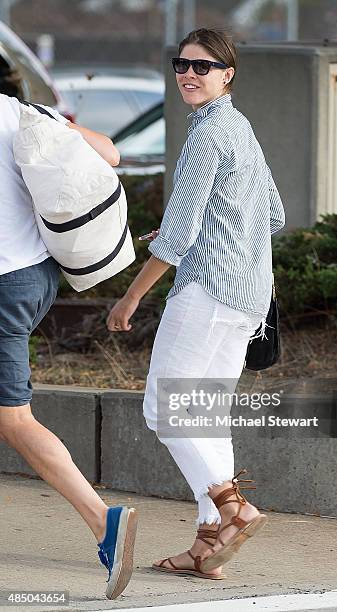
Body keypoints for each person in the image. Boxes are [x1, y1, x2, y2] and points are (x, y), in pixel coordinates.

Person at [107, 28, 285, 579]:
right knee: (204, 416)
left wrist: (130, 298)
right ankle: (209, 543)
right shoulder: (239, 127)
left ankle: (233, 507)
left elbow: (181, 233)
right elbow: (272, 213)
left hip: (208, 291)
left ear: (227, 74)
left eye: (202, 67)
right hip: (249, 297)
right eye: (181, 64)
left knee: (164, 409)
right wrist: (211, 228)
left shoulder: (208, 136)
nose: (188, 74)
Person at [0, 93, 137, 600]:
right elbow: (110, 152)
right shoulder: (17, 109)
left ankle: (105, 521)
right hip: (39, 274)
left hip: (3, 285)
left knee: (14, 419)